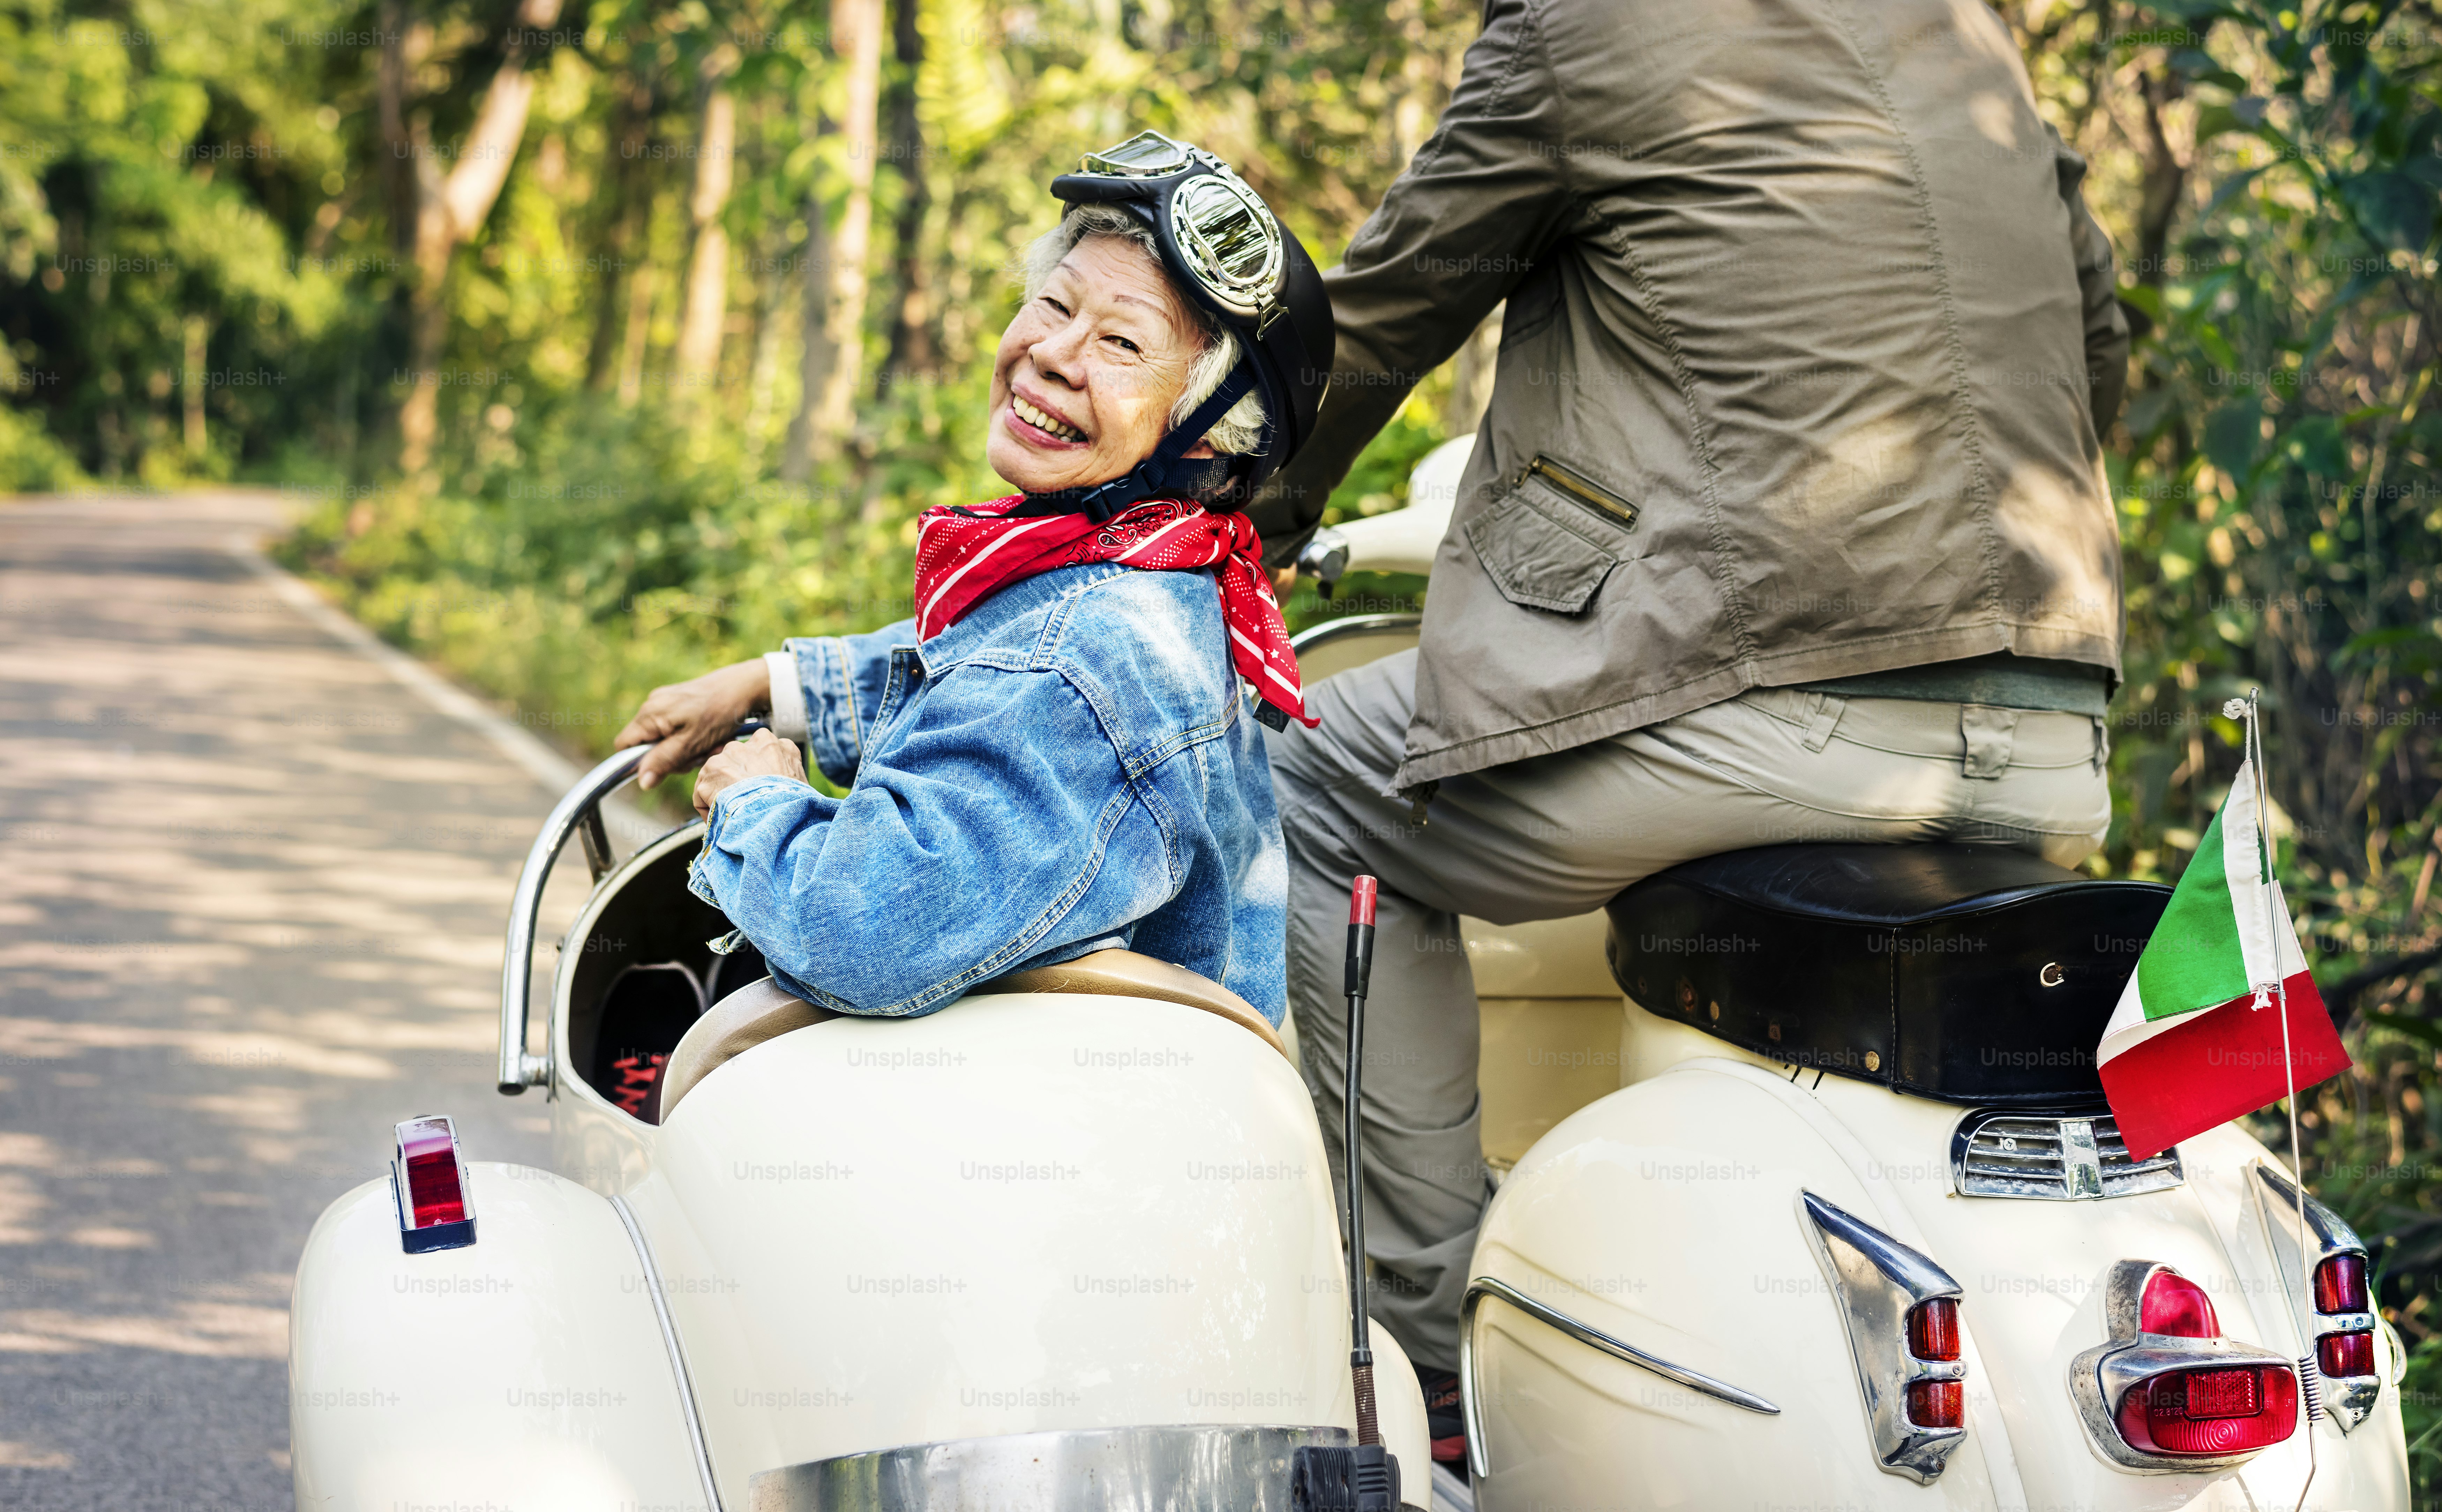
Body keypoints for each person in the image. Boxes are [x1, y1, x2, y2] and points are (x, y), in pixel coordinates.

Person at [1246, 0, 2133, 1461]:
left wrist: (1240, 518)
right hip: (2054, 723)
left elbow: (1380, 323)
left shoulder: (1578, 30)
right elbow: (2094, 348)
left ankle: (1428, 1362)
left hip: (1773, 698)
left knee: (1306, 776)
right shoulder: (1968, 30)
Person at [613, 133, 1333, 1031]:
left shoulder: (1083, 663)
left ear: (1206, 434)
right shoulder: (1161, 574)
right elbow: (987, 672)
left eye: (1120, 341)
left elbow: (854, 931)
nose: (1053, 353)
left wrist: (757, 796)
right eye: (1053, 304)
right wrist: (771, 684)